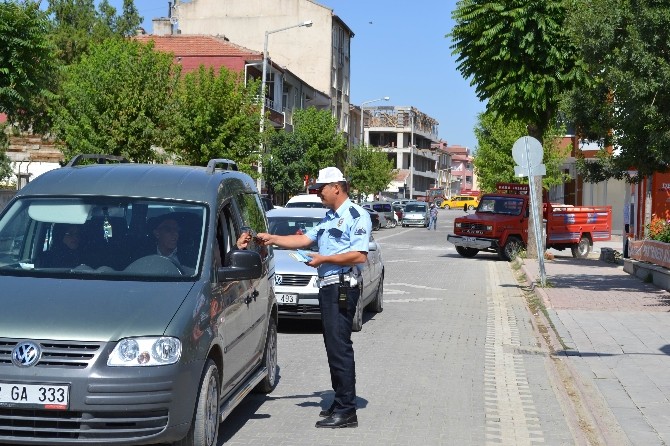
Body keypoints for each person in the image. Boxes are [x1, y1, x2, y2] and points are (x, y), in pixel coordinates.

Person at [256, 166, 371, 429]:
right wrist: (270, 238)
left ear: (337, 188)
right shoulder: (330, 217)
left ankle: (347, 410)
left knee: (340, 347)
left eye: (321, 189)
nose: (318, 193)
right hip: (328, 286)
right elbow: (305, 240)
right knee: (333, 346)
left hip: (342, 287)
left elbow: (359, 255)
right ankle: (340, 400)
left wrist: (324, 258)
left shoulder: (356, 215)